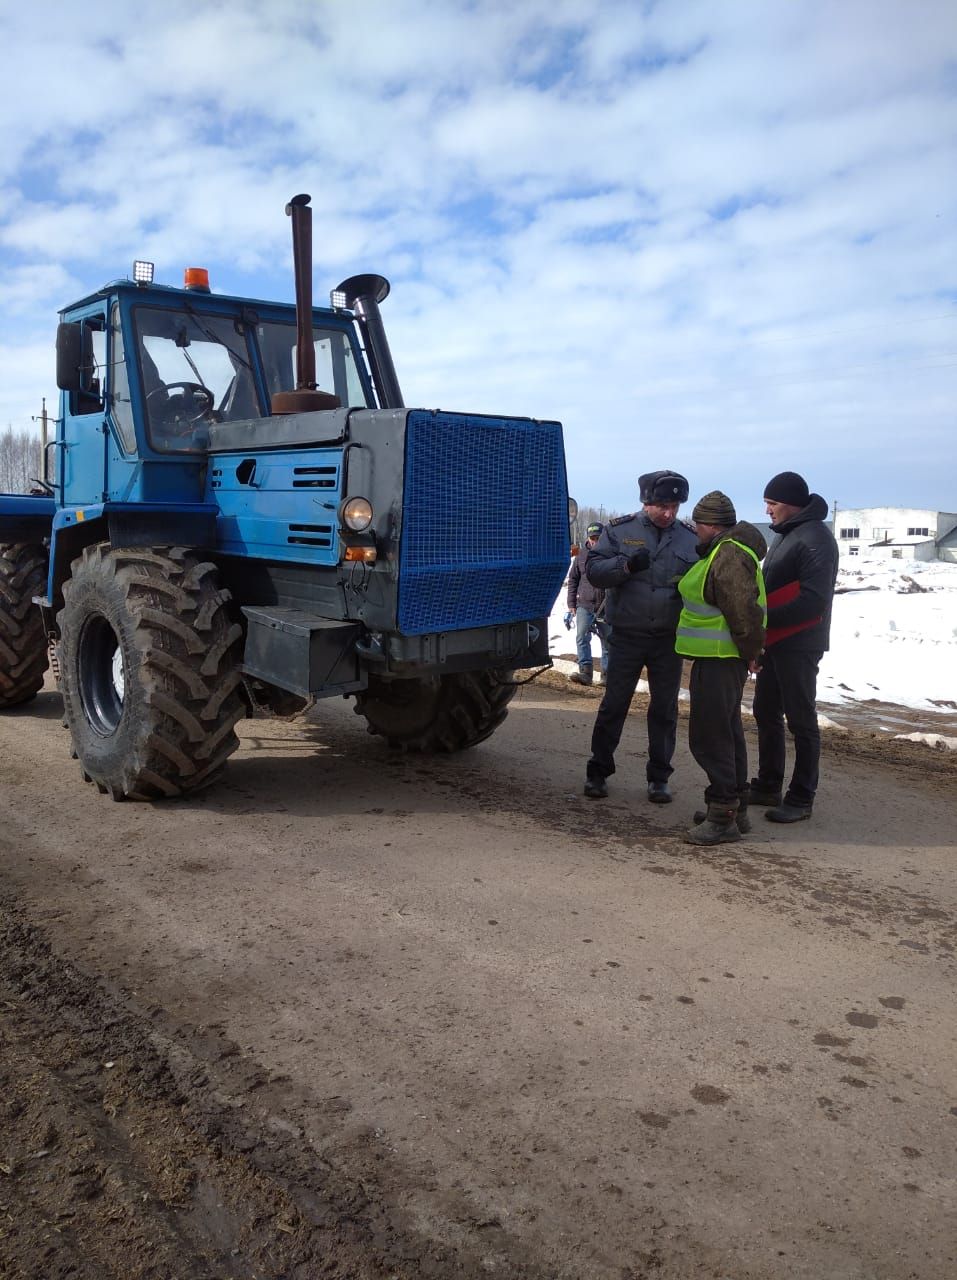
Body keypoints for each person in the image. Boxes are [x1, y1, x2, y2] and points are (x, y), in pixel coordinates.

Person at [582, 470, 698, 803]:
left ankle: (659, 777)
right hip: (627, 636)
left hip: (668, 639)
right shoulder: (619, 531)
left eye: (675, 505)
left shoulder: (689, 538)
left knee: (665, 710)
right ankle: (598, 771)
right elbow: (594, 572)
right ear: (646, 502)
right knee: (614, 705)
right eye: (662, 505)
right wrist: (627, 566)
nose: (669, 513)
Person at [675, 492, 767, 845]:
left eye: (698, 524)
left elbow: (742, 610)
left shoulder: (728, 555)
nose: (695, 530)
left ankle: (723, 815)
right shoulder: (726, 551)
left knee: (710, 737)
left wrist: (751, 651)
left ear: (711, 525)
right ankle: (735, 808)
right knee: (727, 733)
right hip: (721, 658)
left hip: (721, 659)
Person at [749, 471, 839, 823]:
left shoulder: (816, 538)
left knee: (801, 720)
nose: (767, 510)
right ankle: (769, 784)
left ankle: (802, 797)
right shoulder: (789, 535)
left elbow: (813, 602)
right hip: (776, 642)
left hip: (800, 644)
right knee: (765, 711)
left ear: (791, 505)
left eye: (772, 504)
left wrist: (761, 618)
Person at [565, 522, 609, 685]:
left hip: (606, 605)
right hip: (585, 604)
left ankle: (607, 675)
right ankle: (585, 672)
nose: (595, 541)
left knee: (608, 640)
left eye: (598, 538)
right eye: (592, 538)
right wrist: (571, 603)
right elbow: (573, 580)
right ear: (588, 538)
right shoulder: (580, 556)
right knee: (582, 636)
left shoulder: (612, 554)